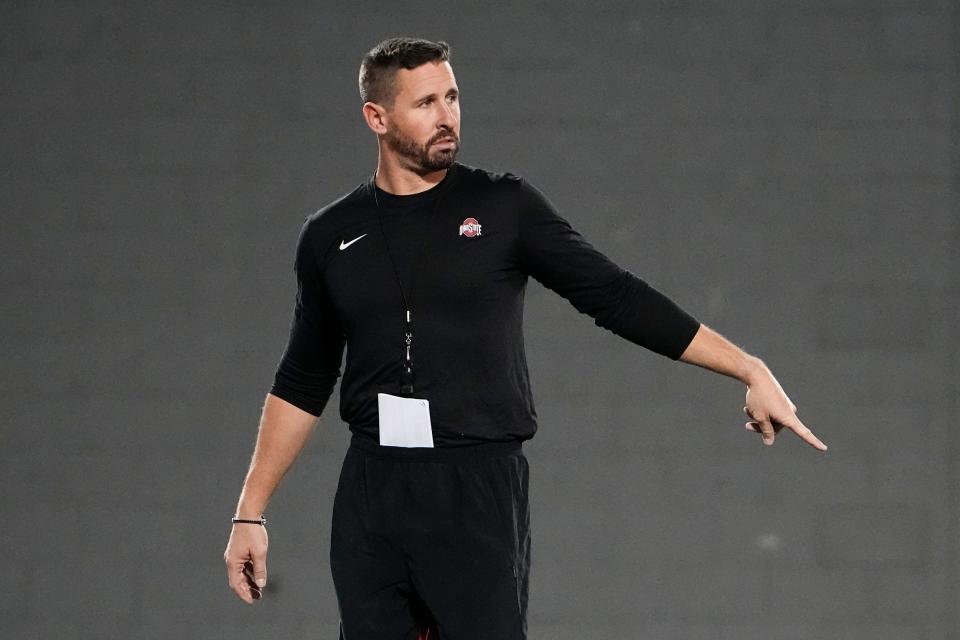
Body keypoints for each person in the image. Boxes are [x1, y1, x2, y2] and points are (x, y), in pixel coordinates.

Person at [223, 37, 827, 640]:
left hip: (476, 484)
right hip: (374, 489)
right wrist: (250, 511)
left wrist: (748, 368)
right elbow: (304, 378)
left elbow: (615, 296)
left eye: (453, 97)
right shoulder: (330, 235)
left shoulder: (502, 207)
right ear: (377, 118)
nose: (447, 115)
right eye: (426, 102)